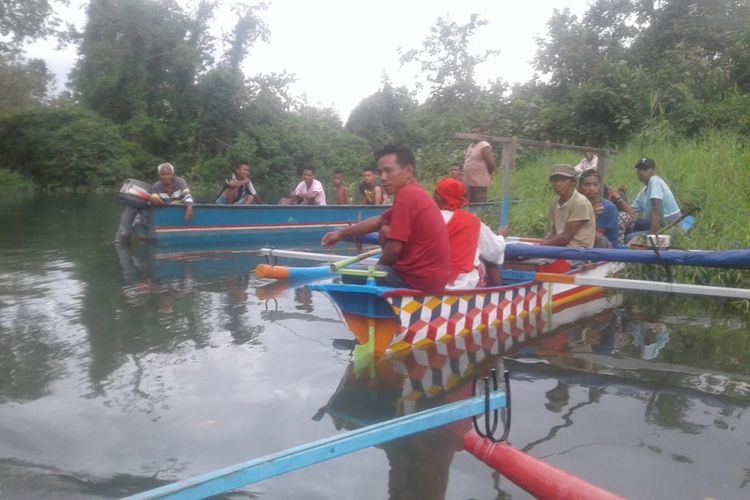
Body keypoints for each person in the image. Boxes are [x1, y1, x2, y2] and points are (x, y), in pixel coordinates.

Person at [321, 144, 451, 293]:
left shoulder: (407, 195)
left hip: (419, 281)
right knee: (385, 229)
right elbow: (379, 221)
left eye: (388, 171)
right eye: (381, 172)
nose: (383, 178)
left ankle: (373, 313)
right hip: (433, 280)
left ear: (408, 170)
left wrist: (376, 271)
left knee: (350, 274)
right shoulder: (415, 192)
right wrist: (341, 234)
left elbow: (394, 249)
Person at [433, 177, 508, 288]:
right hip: (465, 285)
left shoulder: (426, 218)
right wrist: (501, 236)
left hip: (431, 282)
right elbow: (494, 251)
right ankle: (499, 297)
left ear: (437, 198)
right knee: (486, 259)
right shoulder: (471, 221)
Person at [115, 162, 193, 243]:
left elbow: (187, 194)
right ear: (160, 175)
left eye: (168, 174)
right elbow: (155, 201)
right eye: (163, 174)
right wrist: (161, 201)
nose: (166, 176)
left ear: (173, 174)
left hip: (180, 207)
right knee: (152, 199)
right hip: (163, 210)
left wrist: (189, 207)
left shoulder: (180, 182)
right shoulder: (156, 186)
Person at [541, 164, 595, 248]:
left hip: (577, 251)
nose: (558, 184)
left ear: (573, 182)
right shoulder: (555, 201)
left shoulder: (580, 202)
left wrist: (541, 246)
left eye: (563, 180)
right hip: (561, 248)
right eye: (555, 180)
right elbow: (554, 232)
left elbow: (566, 237)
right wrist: (541, 245)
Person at [629, 157, 681, 235]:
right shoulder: (644, 191)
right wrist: (621, 197)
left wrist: (652, 235)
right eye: (639, 169)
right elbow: (631, 211)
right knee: (631, 224)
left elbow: (656, 208)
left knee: (628, 237)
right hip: (659, 223)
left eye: (645, 169)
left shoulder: (654, 181)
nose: (641, 172)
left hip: (669, 226)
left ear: (653, 171)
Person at [578, 169, 618, 248]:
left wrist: (590, 216)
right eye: (587, 185)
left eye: (595, 185)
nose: (592, 188)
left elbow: (591, 236)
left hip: (607, 248)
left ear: (600, 187)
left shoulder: (607, 208)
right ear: (580, 188)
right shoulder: (578, 205)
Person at [463, 126, 496, 203]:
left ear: (481, 134)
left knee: (479, 201)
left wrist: (488, 173)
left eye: (476, 132)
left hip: (479, 180)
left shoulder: (484, 145)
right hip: (469, 180)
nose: (474, 134)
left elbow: (491, 163)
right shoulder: (471, 145)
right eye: (472, 132)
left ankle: (481, 214)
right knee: (470, 201)